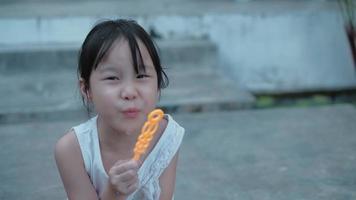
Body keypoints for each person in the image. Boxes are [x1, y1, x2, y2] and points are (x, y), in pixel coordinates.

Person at [54, 19, 185, 200]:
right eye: (113, 78)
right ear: (86, 90)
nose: (129, 92)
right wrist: (113, 193)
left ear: (158, 85)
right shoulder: (72, 150)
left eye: (141, 75)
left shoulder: (167, 136)